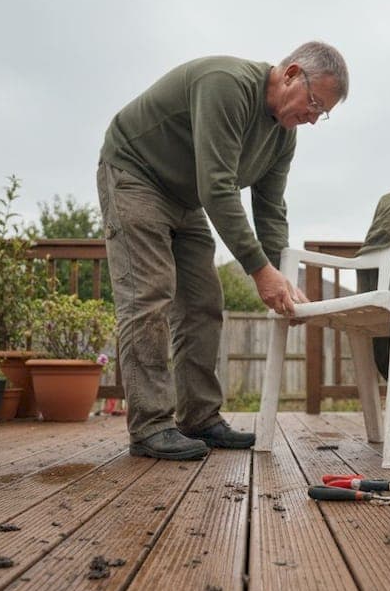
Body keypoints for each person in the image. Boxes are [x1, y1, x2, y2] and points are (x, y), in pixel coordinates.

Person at [96, 41, 348, 460]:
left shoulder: (283, 138)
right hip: (135, 173)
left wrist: (281, 274)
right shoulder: (226, 86)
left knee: (204, 302)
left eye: (323, 113)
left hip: (186, 195)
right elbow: (218, 187)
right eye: (314, 102)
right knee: (149, 296)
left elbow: (270, 209)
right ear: (290, 74)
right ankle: (150, 427)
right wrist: (258, 270)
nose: (313, 118)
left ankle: (199, 418)